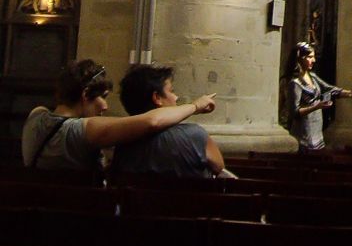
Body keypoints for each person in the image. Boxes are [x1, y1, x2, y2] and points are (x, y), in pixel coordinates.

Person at [21, 58, 216, 171]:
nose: (104, 106)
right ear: (85, 95)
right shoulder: (81, 131)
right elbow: (152, 121)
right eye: (102, 97)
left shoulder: (36, 115)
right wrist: (195, 106)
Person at [111, 63, 225, 177]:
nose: (176, 97)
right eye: (171, 91)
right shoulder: (196, 136)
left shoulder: (121, 140)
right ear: (157, 98)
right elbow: (218, 167)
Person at [284, 40, 352, 153]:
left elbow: (331, 90)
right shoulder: (295, 83)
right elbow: (294, 112)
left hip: (317, 130)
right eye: (310, 57)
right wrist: (316, 106)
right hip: (304, 132)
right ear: (301, 58)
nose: (314, 60)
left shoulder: (312, 76)